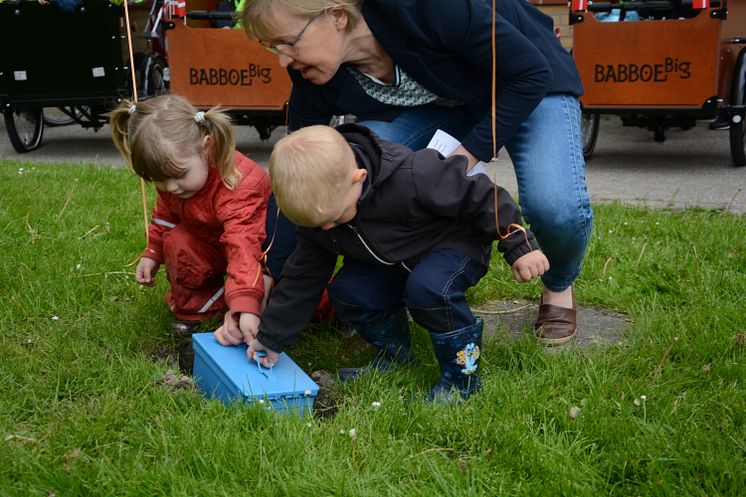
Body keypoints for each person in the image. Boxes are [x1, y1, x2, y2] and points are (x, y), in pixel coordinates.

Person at [239, 0, 593, 346]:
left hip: (529, 82)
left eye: (288, 42)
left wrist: (466, 156)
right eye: (273, 47)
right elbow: (297, 177)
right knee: (359, 160)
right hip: (450, 104)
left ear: (337, 17)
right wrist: (269, 277)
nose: (283, 58)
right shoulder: (311, 72)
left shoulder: (427, 7)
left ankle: (558, 283)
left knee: (555, 206)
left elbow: (529, 72)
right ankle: (404, 269)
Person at [246, 123, 549, 401]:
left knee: (430, 289)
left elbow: (483, 196)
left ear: (358, 179)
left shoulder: (414, 174)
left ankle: (462, 381)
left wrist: (519, 244)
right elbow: (303, 277)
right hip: (394, 260)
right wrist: (272, 336)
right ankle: (395, 357)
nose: (327, 229)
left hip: (453, 245)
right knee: (349, 292)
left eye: (334, 219)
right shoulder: (323, 213)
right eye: (319, 225)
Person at [109, 94, 273, 350]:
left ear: (206, 147)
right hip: (213, 245)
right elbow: (166, 214)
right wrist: (153, 252)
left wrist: (244, 305)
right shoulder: (174, 181)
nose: (170, 187)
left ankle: (251, 300)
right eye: (158, 180)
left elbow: (243, 247)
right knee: (177, 240)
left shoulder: (238, 184)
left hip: (261, 256)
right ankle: (201, 311)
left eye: (178, 176)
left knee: (288, 295)